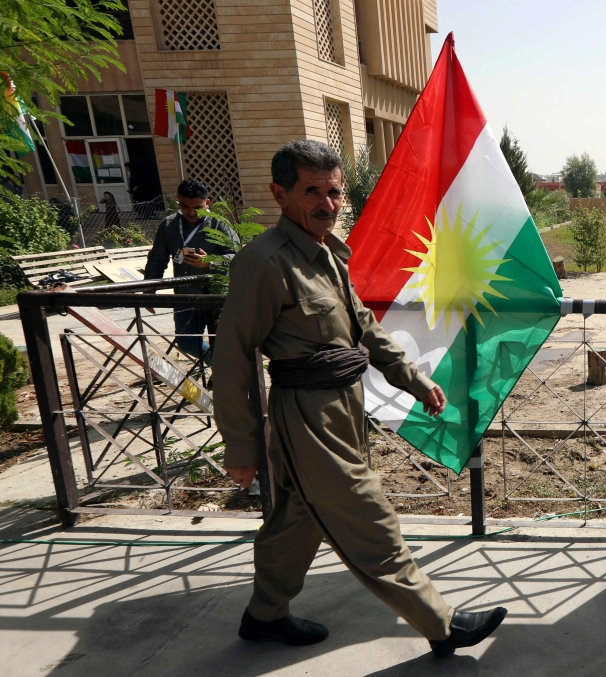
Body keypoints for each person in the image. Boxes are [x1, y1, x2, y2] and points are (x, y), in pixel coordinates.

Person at [213, 140, 506, 656]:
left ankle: (264, 615)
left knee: (297, 521)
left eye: (334, 191)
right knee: (367, 515)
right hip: (306, 416)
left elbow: (362, 328)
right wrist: (240, 445)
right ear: (279, 194)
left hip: (344, 406)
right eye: (312, 192)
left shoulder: (328, 254)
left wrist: (411, 378)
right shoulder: (264, 263)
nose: (327, 203)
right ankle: (441, 624)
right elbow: (233, 359)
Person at [144, 179, 239, 365]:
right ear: (177, 201)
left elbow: (237, 258)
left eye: (198, 207)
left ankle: (224, 375)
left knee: (223, 343)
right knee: (187, 343)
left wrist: (210, 263)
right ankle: (223, 367)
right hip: (185, 296)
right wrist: (149, 290)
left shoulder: (220, 225)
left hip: (217, 296)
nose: (191, 212)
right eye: (185, 206)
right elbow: (157, 259)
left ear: (207, 203)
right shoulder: (168, 225)